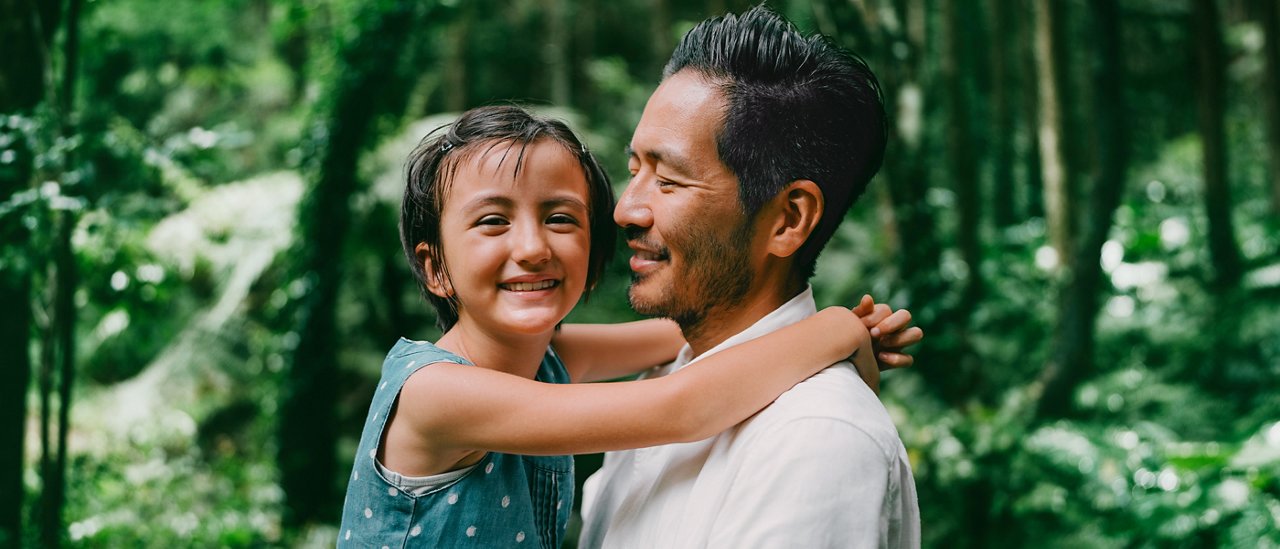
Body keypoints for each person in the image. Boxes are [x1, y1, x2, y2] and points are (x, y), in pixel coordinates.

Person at [336, 105, 912, 547]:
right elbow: (680, 409)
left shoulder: (553, 359)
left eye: (560, 218)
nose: (533, 247)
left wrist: (817, 344)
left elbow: (708, 330)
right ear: (436, 267)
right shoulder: (435, 393)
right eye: (493, 221)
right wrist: (837, 328)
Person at [578, 6, 921, 548]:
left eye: (668, 180)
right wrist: (834, 332)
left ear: (788, 220)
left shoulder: (815, 438)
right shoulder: (662, 379)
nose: (627, 210)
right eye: (634, 169)